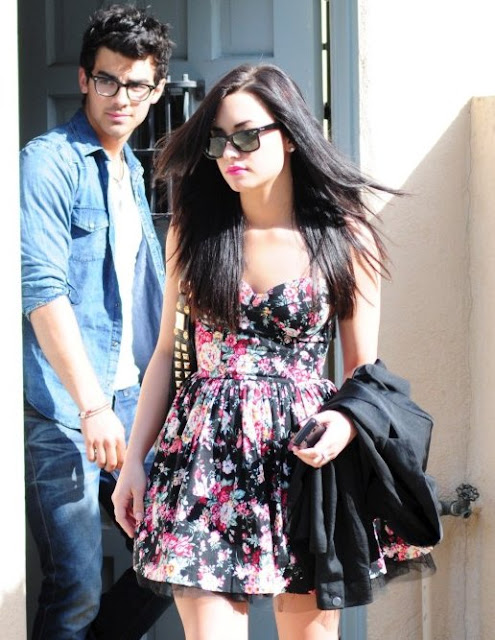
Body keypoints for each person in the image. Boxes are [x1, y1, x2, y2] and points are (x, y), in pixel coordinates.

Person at [112, 63, 435, 640]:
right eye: (218, 140)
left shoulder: (345, 235)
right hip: (204, 458)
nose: (229, 153)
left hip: (303, 461)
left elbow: (363, 370)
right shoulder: (194, 229)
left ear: (288, 135)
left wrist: (344, 422)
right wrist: (135, 459)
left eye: (246, 136)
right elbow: (164, 352)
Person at [21, 5, 175, 639]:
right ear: (84, 78)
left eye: (137, 85)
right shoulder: (47, 162)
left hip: (131, 401)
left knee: (171, 556)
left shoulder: (130, 169)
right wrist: (92, 406)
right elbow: (42, 292)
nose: (122, 98)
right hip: (64, 409)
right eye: (108, 80)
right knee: (76, 589)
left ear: (156, 90)